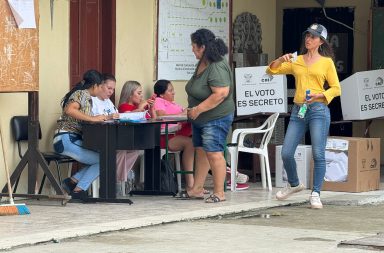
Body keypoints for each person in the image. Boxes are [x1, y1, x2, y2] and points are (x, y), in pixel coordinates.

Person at [267, 23, 341, 209]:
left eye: (313, 37)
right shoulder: (296, 60)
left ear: (321, 41)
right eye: (307, 35)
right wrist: (280, 59)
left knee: (318, 153)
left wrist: (321, 95)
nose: (309, 39)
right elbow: (272, 70)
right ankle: (294, 184)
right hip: (299, 111)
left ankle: (315, 193)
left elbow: (336, 88)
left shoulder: (326, 62)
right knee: (286, 152)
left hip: (318, 110)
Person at [184, 28, 235, 203]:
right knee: (201, 151)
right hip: (200, 118)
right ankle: (197, 189)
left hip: (215, 118)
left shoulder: (216, 65)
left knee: (214, 152)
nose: (192, 49)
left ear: (203, 47)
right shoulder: (202, 62)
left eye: (194, 46)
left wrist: (197, 109)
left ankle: (219, 193)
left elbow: (220, 93)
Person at [53, 69, 108, 200]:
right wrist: (93, 119)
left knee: (104, 158)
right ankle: (78, 191)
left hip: (70, 139)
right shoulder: (82, 94)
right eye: (101, 87)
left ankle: (72, 182)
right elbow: (70, 110)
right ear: (95, 85)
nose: (101, 90)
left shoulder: (87, 97)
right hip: (66, 139)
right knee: (103, 160)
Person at [91, 74, 139, 195]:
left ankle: (117, 179)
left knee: (135, 150)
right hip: (98, 138)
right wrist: (108, 117)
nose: (111, 92)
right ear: (100, 86)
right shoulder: (92, 101)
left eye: (113, 89)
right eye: (109, 88)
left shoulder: (108, 102)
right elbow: (91, 120)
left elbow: (118, 116)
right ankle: (116, 183)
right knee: (121, 150)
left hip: (113, 136)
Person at [153, 79, 195, 190]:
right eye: (170, 90)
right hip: (166, 136)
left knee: (201, 141)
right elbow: (161, 115)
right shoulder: (158, 101)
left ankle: (197, 183)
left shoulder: (173, 103)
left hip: (178, 133)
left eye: (173, 90)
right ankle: (191, 184)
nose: (173, 93)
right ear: (161, 94)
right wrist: (182, 113)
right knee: (191, 143)